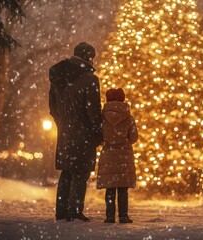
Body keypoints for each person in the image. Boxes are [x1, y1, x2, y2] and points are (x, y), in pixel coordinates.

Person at [49, 42, 103, 222]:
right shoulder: (89, 79)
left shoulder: (59, 77)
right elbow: (93, 110)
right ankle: (75, 211)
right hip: (84, 133)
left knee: (67, 171)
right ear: (89, 58)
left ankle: (61, 211)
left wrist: (62, 123)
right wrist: (98, 131)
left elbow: (52, 107)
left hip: (65, 132)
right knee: (81, 172)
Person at [97, 88, 138, 223]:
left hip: (108, 155)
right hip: (124, 156)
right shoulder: (128, 117)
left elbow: (99, 136)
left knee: (110, 189)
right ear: (122, 99)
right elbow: (134, 137)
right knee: (122, 189)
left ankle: (109, 216)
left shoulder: (102, 118)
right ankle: (123, 215)